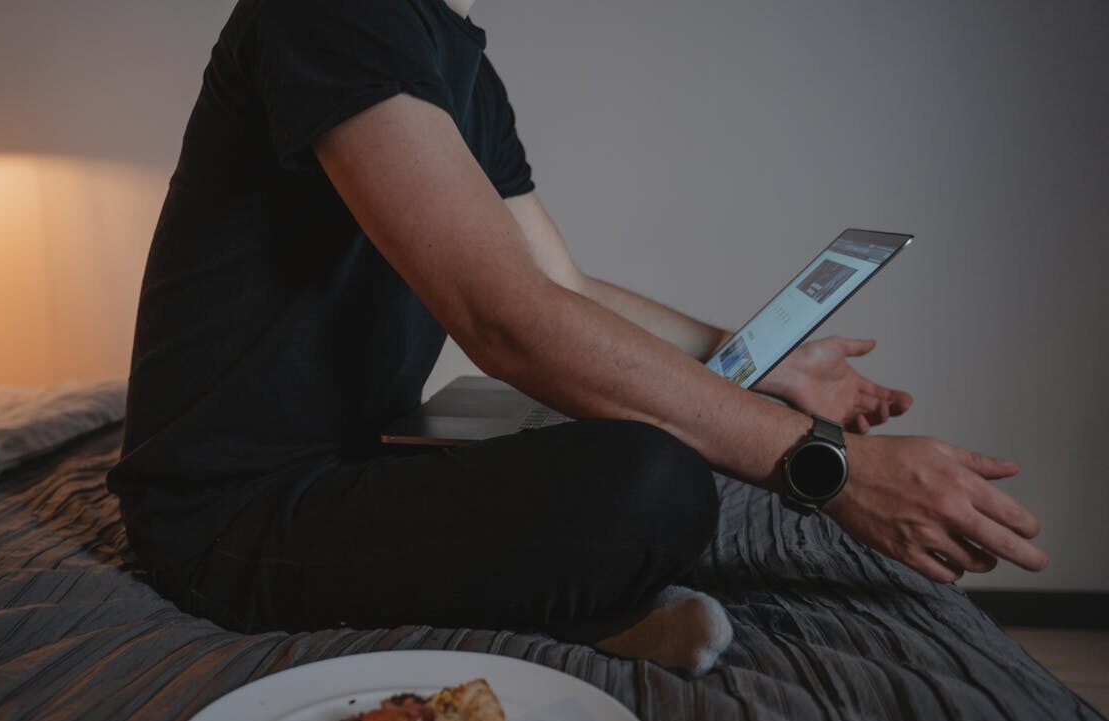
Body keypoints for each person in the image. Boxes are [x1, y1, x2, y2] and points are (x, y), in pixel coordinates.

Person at [107, 0, 1047, 674]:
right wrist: (828, 465)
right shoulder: (333, 13)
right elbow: (507, 322)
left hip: (360, 463)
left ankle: (566, 602)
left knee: (634, 452)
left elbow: (557, 286)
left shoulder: (460, 65)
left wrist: (763, 359)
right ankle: (584, 611)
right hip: (225, 515)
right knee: (655, 478)